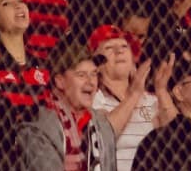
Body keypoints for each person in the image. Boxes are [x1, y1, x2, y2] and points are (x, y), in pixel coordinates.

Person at [18, 43, 118, 171]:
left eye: (94, 74)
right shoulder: (39, 126)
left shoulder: (101, 124)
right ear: (60, 81)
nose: (91, 82)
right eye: (81, 75)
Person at [89, 25, 175, 170]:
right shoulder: (94, 98)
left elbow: (179, 137)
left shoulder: (152, 100)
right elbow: (103, 135)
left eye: (124, 46)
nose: (119, 50)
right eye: (109, 48)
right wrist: (134, 95)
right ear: (97, 64)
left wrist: (161, 90)